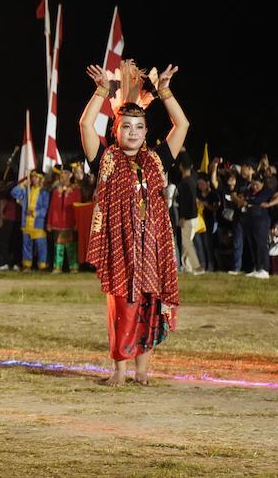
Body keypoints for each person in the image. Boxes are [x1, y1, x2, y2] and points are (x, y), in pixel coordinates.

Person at [80, 59, 189, 386]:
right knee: (122, 307)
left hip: (152, 248)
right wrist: (101, 92)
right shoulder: (105, 159)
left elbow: (181, 126)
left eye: (139, 127)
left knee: (148, 306)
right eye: (126, 126)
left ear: (145, 132)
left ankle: (142, 372)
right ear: (115, 129)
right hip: (119, 247)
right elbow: (86, 126)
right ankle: (119, 370)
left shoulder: (157, 159)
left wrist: (166, 92)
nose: (133, 132)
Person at [11, 171, 50, 271]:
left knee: (41, 246)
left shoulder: (44, 192)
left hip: (38, 224)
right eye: (32, 177)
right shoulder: (26, 190)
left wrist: (34, 213)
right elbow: (14, 193)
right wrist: (22, 184)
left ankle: (42, 266)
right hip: (26, 224)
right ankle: (27, 265)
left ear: (41, 179)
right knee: (26, 246)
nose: (33, 179)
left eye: (36, 177)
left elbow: (46, 208)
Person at [46, 165, 81, 273]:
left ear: (70, 175)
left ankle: (73, 266)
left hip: (70, 222)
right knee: (58, 246)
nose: (63, 175)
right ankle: (57, 267)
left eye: (65, 173)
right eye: (62, 173)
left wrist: (77, 223)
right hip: (57, 223)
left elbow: (78, 208)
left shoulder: (75, 190)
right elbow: (51, 207)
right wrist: (49, 222)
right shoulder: (56, 191)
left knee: (71, 246)